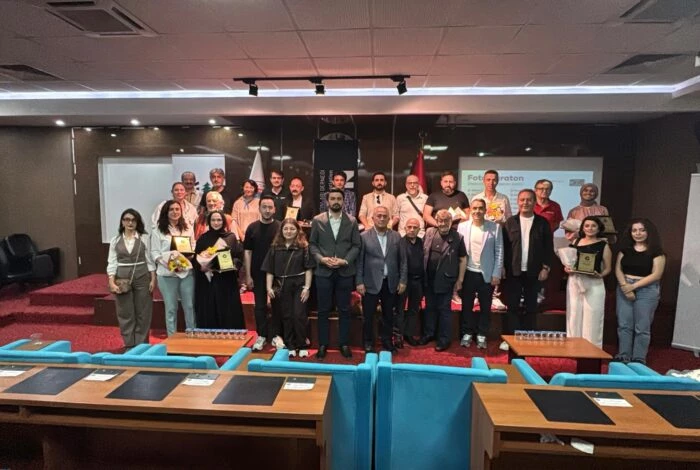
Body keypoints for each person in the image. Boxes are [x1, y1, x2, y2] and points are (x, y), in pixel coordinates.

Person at [309, 188, 362, 359]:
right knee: (323, 309)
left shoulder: (352, 221)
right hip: (323, 271)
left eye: (339, 198)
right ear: (327, 201)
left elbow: (356, 245)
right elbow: (312, 245)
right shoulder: (318, 220)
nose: (336, 201)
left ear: (343, 201)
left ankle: (344, 343)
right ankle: (323, 344)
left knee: (344, 309)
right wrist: (321, 259)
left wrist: (345, 261)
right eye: (333, 198)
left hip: (345, 271)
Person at [501, 189, 553, 351]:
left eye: (529, 200)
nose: (525, 203)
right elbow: (503, 248)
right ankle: (510, 339)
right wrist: (502, 268)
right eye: (522, 199)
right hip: (513, 272)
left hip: (534, 272)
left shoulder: (542, 223)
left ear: (534, 202)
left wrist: (546, 268)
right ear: (518, 202)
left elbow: (548, 248)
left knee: (531, 307)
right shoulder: (510, 222)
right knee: (512, 306)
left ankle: (528, 337)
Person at [356, 206, 407, 353]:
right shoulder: (364, 236)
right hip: (370, 282)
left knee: (388, 315)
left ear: (389, 218)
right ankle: (368, 342)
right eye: (379, 215)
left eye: (385, 216)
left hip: (390, 282)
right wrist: (359, 281)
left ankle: (387, 342)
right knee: (368, 316)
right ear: (372, 218)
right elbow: (359, 261)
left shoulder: (396, 236)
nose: (382, 218)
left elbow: (403, 261)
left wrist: (403, 280)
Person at [615, 218, 665, 364]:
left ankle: (638, 358)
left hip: (647, 290)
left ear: (649, 232)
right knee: (624, 325)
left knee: (642, 327)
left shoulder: (657, 252)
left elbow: (656, 275)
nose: (638, 233)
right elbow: (618, 269)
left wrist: (633, 287)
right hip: (624, 287)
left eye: (642, 230)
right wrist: (625, 286)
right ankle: (624, 355)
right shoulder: (625, 250)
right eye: (634, 230)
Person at [263, 218, 315, 358]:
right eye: (285, 228)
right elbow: (269, 270)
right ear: (281, 231)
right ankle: (290, 345)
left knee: (299, 314)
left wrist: (307, 287)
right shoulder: (275, 247)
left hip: (299, 285)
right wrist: (268, 288)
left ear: (298, 230)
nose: (288, 231)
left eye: (292, 229)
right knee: (286, 315)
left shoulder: (303, 247)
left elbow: (308, 269)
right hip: (281, 285)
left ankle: (302, 344)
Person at [457, 198, 503, 350]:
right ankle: (467, 333)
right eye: (474, 208)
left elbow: (499, 251)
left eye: (480, 208)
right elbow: (459, 253)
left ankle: (482, 334)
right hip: (468, 272)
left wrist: (496, 273)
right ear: (470, 210)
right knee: (466, 306)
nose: (477, 211)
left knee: (485, 307)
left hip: (487, 274)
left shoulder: (495, 227)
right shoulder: (462, 226)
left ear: (485, 210)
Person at [107, 209, 156, 351]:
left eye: (133, 220)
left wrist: (153, 279)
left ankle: (141, 345)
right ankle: (129, 344)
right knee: (125, 311)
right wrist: (111, 281)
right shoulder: (115, 240)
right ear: (122, 222)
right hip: (122, 277)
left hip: (142, 276)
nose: (130, 222)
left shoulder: (144, 238)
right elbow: (112, 262)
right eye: (127, 219)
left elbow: (149, 260)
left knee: (143, 311)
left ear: (137, 222)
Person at [419, 209, 467, 352]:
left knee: (444, 310)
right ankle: (429, 334)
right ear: (436, 221)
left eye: (447, 221)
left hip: (446, 280)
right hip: (429, 279)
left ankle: (444, 339)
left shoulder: (458, 237)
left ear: (451, 222)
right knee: (429, 308)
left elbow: (463, 259)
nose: (443, 223)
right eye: (441, 220)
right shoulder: (429, 232)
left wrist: (460, 279)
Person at [564, 216, 612, 348]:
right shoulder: (575, 242)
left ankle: (592, 350)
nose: (590, 228)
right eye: (587, 226)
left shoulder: (603, 245)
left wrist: (600, 275)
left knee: (593, 316)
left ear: (599, 228)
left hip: (594, 283)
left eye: (593, 226)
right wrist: (567, 269)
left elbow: (608, 268)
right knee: (574, 315)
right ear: (582, 228)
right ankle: (572, 348)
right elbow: (569, 262)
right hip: (575, 281)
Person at [192, 210, 245, 329]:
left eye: (219, 220)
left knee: (227, 308)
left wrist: (234, 265)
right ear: (209, 222)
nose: (216, 223)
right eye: (213, 220)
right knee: (210, 306)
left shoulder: (231, 237)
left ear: (224, 222)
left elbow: (238, 256)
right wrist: (201, 266)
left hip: (226, 279)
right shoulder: (203, 238)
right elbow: (196, 258)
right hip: (208, 280)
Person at [150, 200, 196, 336]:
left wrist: (188, 258)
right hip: (166, 274)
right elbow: (154, 253)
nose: (175, 212)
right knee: (171, 308)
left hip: (186, 273)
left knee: (189, 306)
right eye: (171, 209)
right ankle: (172, 338)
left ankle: (192, 335)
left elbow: (193, 246)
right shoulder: (158, 230)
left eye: (177, 209)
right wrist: (171, 264)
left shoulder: (188, 228)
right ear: (166, 212)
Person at [244, 196, 282, 351]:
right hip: (257, 272)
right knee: (259, 306)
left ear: (275, 209)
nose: (267, 210)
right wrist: (248, 275)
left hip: (277, 273)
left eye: (270, 207)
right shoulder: (252, 228)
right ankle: (262, 335)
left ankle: (276, 335)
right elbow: (247, 252)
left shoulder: (280, 227)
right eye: (264, 207)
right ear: (259, 208)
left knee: (277, 305)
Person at [396, 217, 424, 347]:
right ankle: (398, 335)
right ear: (405, 228)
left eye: (415, 227)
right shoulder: (399, 243)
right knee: (400, 309)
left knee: (414, 309)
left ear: (419, 230)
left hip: (418, 281)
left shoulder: (422, 242)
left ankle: (409, 334)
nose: (412, 230)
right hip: (403, 281)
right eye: (409, 227)